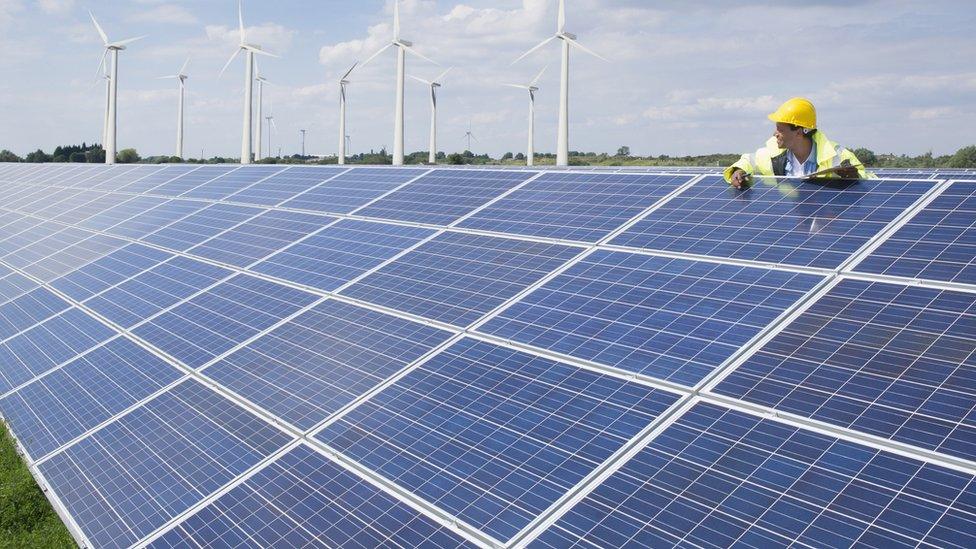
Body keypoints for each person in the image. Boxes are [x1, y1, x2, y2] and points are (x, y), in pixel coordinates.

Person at [725, 97, 870, 188]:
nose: (775, 134)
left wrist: (855, 178)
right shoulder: (772, 153)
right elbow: (748, 160)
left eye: (780, 129)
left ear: (799, 132)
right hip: (788, 222)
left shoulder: (838, 155)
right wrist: (738, 170)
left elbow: (871, 183)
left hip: (823, 225)